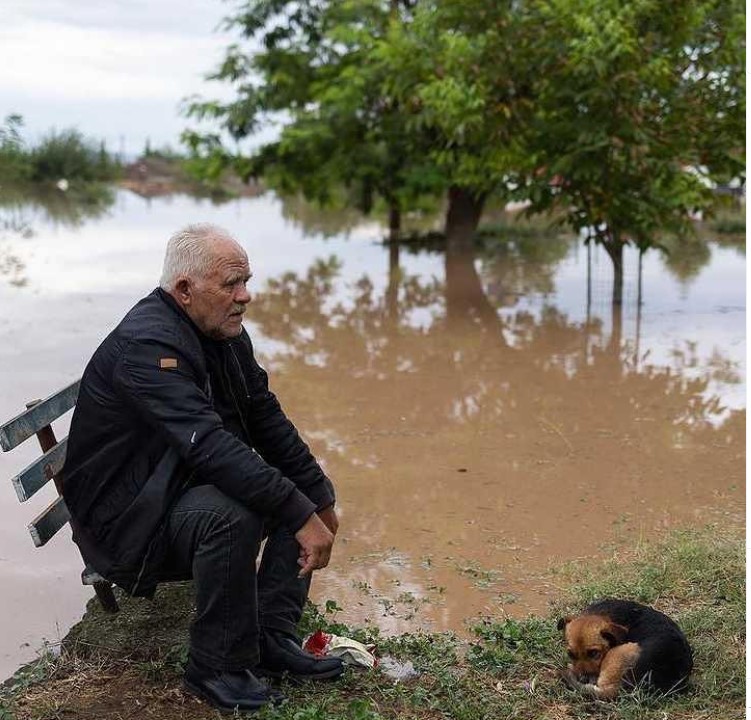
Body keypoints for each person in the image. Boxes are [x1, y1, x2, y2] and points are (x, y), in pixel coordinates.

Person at [62, 223, 344, 712]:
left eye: (247, 281)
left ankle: (270, 638)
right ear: (185, 290)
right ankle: (216, 667)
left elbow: (263, 414)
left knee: (290, 493)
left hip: (169, 486)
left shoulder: (222, 332)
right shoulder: (148, 347)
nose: (246, 296)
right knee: (232, 513)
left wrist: (317, 496)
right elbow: (209, 445)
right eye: (231, 284)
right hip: (125, 522)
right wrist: (298, 513)